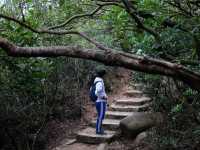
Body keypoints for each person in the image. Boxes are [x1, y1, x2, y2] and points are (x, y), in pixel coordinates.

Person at [94, 68, 108, 134]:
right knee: (100, 116)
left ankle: (99, 129)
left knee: (100, 116)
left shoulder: (98, 81)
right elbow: (97, 92)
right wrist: (103, 97)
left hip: (100, 101)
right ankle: (98, 130)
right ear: (102, 75)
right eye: (105, 75)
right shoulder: (99, 82)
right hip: (101, 102)